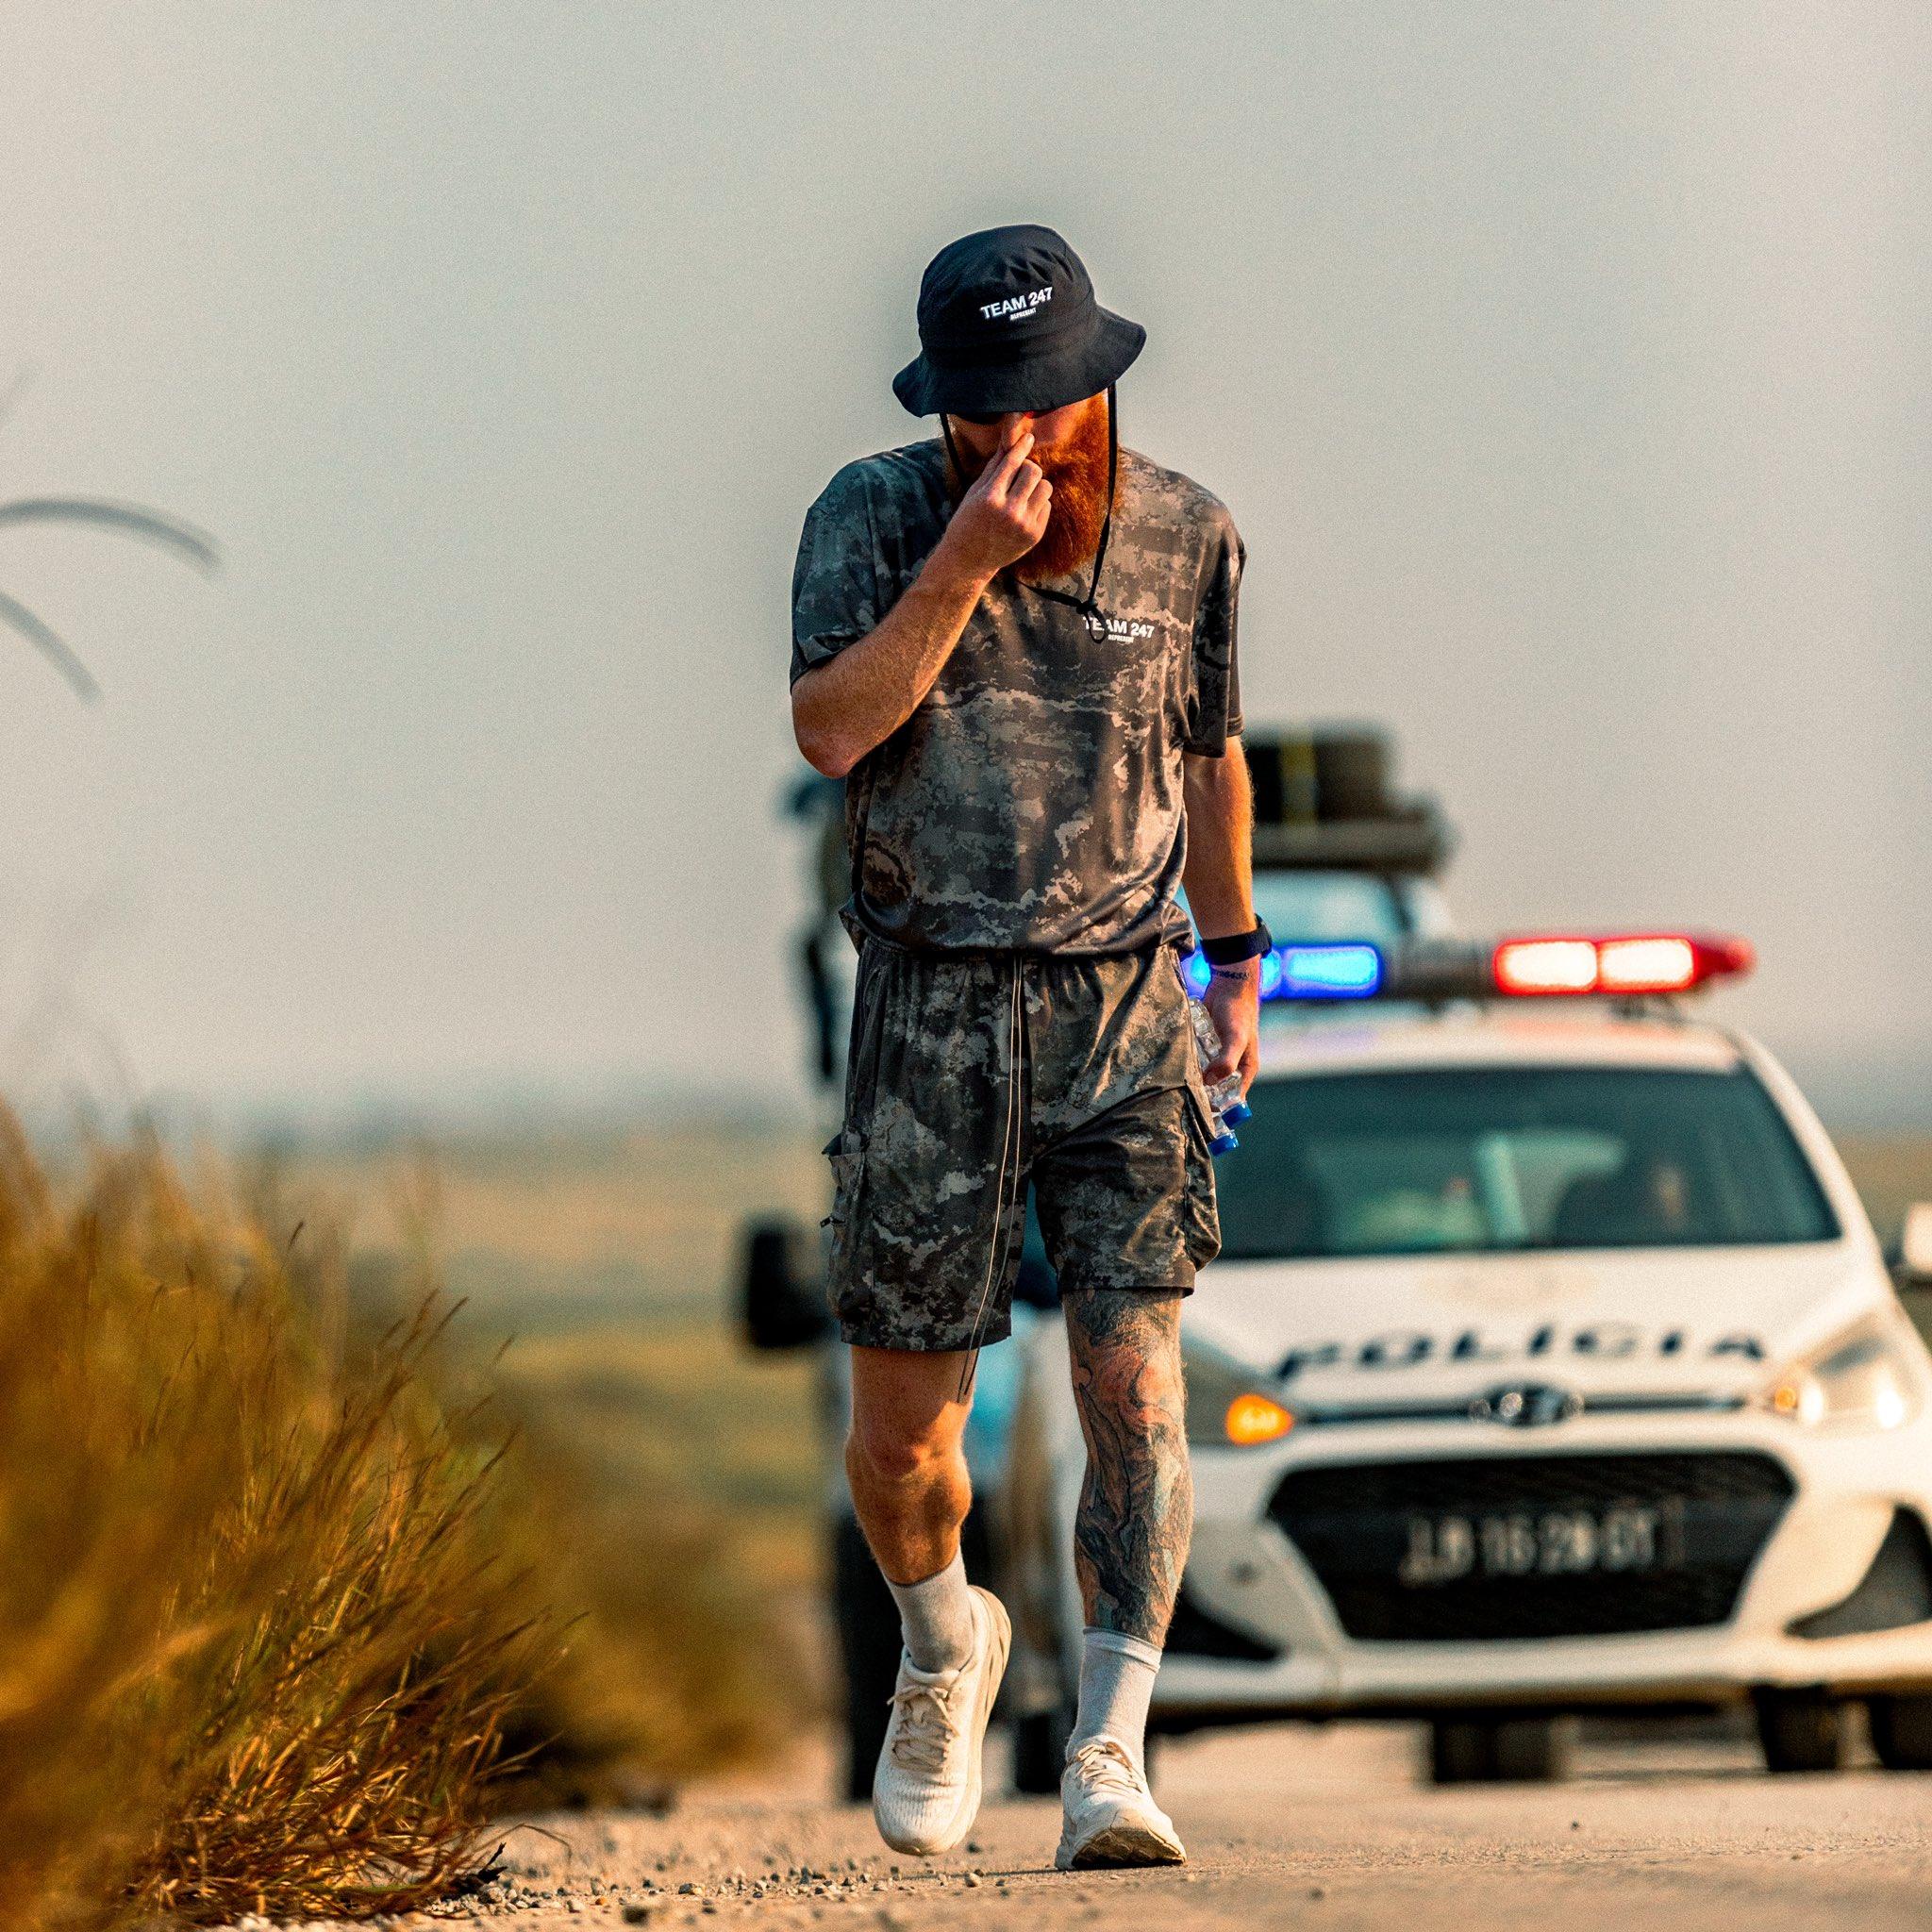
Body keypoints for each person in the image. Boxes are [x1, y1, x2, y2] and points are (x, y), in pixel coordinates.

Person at [788, 224, 1263, 1871]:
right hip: (930, 1003)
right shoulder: (869, 519)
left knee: (1135, 1387)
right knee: (908, 1431)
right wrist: (963, 567)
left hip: (1124, 1001)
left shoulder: (1190, 535)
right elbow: (836, 727)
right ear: (943, 413)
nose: (1018, 443)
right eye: (983, 416)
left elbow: (1209, 760)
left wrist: (1240, 956)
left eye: (1046, 409)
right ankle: (943, 1645)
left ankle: (1113, 1756)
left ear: (1099, 385)